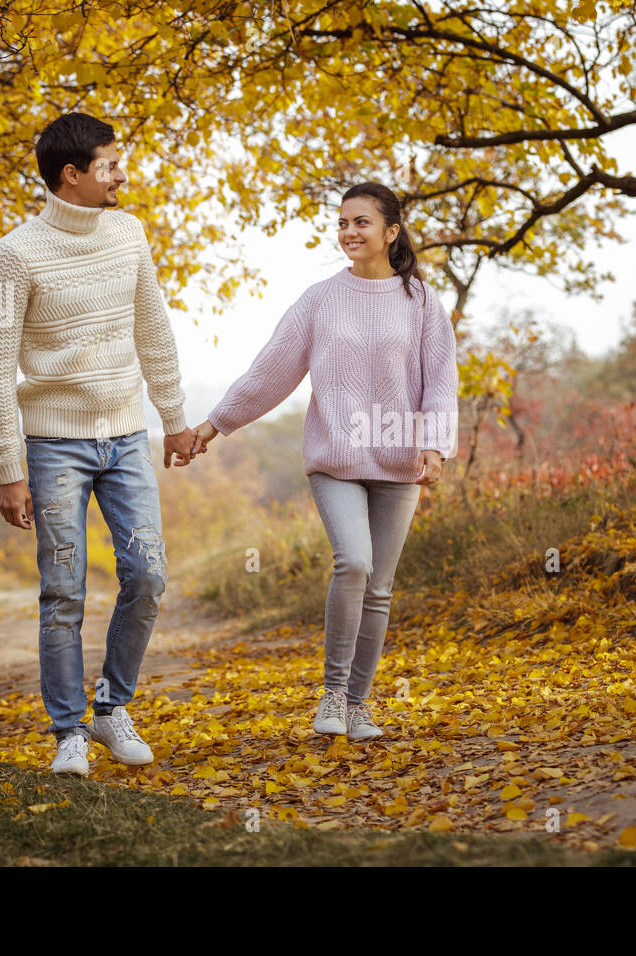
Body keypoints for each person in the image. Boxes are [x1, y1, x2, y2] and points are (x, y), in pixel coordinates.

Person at [191, 182, 460, 741]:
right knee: (354, 563)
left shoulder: (422, 302)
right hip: (335, 457)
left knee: (380, 589)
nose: (348, 233)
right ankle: (333, 695)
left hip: (399, 459)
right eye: (342, 223)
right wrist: (215, 425)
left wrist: (434, 442)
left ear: (391, 232)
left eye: (361, 222)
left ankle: (359, 705)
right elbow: (272, 370)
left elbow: (440, 381)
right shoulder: (320, 299)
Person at [0, 112, 198, 775]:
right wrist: (7, 468)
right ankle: (68, 730)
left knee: (149, 573)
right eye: (109, 164)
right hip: (53, 447)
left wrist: (175, 417)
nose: (121, 174)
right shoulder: (14, 253)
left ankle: (111, 708)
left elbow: (154, 329)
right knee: (64, 590)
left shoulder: (128, 233)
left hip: (127, 436)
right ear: (72, 175)